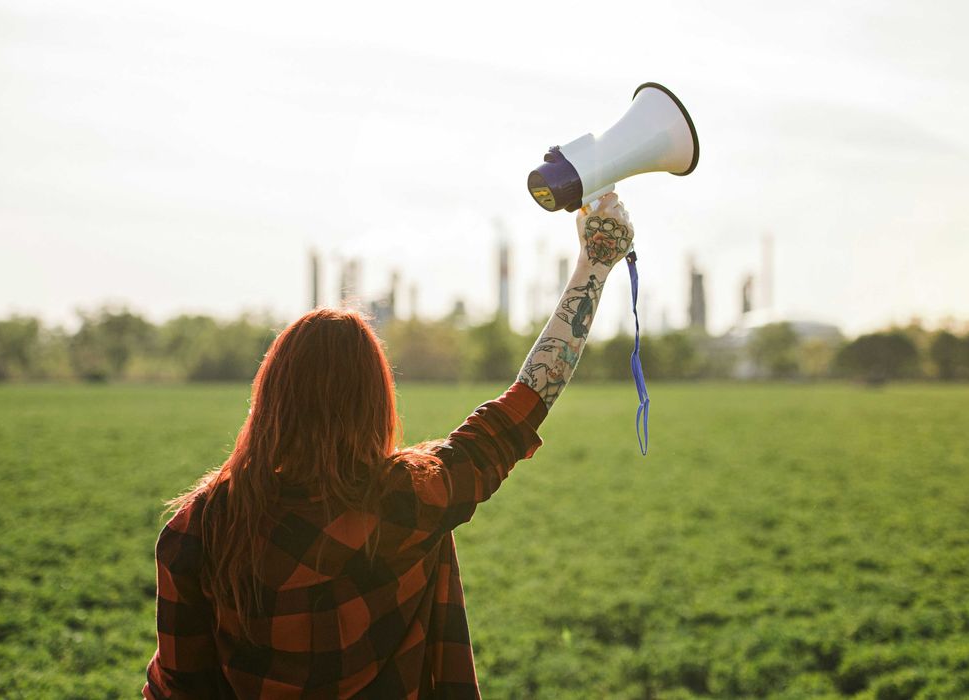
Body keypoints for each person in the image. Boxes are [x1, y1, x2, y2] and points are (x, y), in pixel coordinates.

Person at [143, 194, 635, 699]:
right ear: (375, 401)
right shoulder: (410, 500)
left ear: (270, 397)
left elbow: (179, 688)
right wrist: (595, 261)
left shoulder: (198, 528)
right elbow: (525, 402)